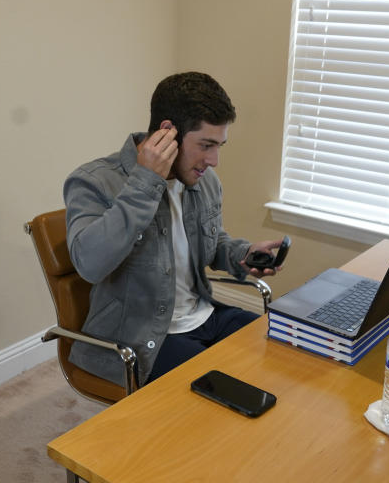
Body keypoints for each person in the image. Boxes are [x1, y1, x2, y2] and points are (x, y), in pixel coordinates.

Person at [64, 72, 282, 387]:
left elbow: (209, 242)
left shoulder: (202, 179)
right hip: (143, 338)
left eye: (219, 145)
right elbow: (90, 263)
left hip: (206, 316)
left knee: (284, 353)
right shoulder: (93, 181)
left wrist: (242, 254)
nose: (214, 160)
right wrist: (146, 180)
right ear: (168, 133)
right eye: (205, 145)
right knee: (234, 392)